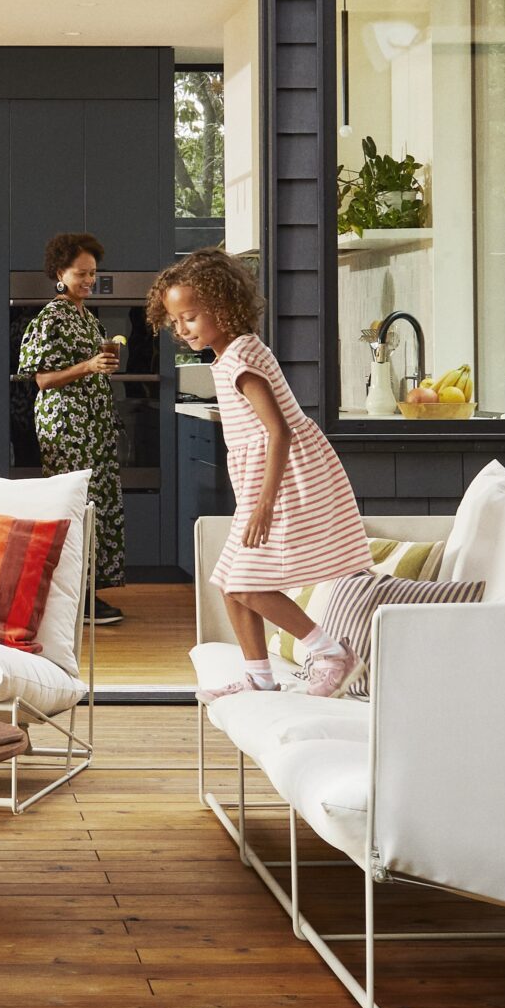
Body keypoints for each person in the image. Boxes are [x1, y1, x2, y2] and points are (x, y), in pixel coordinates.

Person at [146, 248, 365, 699]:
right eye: (175, 321)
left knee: (248, 583)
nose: (181, 329)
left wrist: (264, 503)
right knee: (229, 581)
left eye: (189, 317)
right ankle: (260, 677)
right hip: (266, 480)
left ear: (222, 308)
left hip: (285, 481)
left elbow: (279, 431)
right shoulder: (229, 354)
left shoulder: (241, 358)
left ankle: (331, 655)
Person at [17, 232, 127, 625]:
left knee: (94, 503)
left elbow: (89, 368)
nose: (88, 281)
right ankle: (72, 599)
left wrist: (101, 369)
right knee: (74, 506)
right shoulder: (52, 317)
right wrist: (88, 367)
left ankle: (86, 595)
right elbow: (43, 380)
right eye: (81, 274)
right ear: (59, 273)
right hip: (67, 426)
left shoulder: (86, 316)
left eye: (93, 274)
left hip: (92, 424)